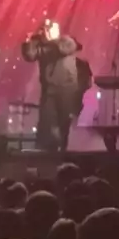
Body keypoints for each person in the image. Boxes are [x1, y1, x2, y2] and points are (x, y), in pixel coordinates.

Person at [22, 20, 80, 152]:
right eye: (45, 29)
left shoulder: (66, 41)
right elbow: (30, 55)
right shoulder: (41, 45)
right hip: (49, 89)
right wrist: (28, 42)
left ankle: (62, 149)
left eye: (50, 29)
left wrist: (52, 40)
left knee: (64, 121)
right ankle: (49, 149)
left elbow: (65, 49)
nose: (47, 32)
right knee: (48, 120)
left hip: (67, 89)